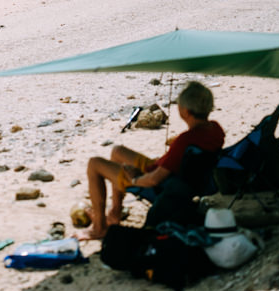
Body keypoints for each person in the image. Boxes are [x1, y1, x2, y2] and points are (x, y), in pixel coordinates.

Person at [77, 81, 224, 240]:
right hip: (179, 174)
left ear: (185, 112)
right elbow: (183, 159)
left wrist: (134, 179)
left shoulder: (186, 140)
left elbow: (154, 180)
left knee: (94, 164)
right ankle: (115, 213)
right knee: (117, 151)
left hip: (162, 183)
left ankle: (99, 228)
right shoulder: (215, 129)